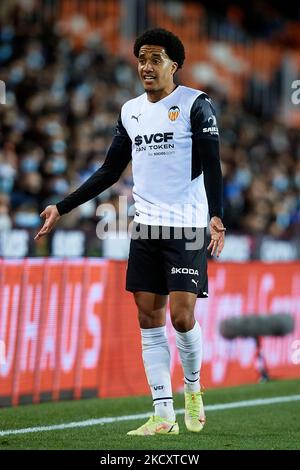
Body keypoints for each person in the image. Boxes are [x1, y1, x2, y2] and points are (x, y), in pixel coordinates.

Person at [35, 28, 225, 436]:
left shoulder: (196, 104)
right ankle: (162, 415)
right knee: (148, 317)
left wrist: (217, 215)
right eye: (141, 58)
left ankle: (192, 389)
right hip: (146, 227)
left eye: (155, 59)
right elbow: (109, 170)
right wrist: (62, 206)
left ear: (175, 64)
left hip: (189, 226)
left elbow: (212, 162)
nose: (146, 66)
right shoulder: (130, 111)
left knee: (181, 316)